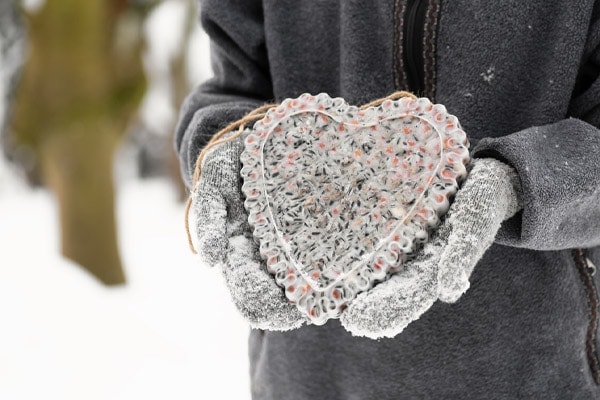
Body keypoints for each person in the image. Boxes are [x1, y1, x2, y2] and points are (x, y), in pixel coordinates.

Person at [175, 1, 600, 398]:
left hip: (539, 371)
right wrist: (224, 144)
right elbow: (235, 84)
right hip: (309, 375)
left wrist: (524, 181)